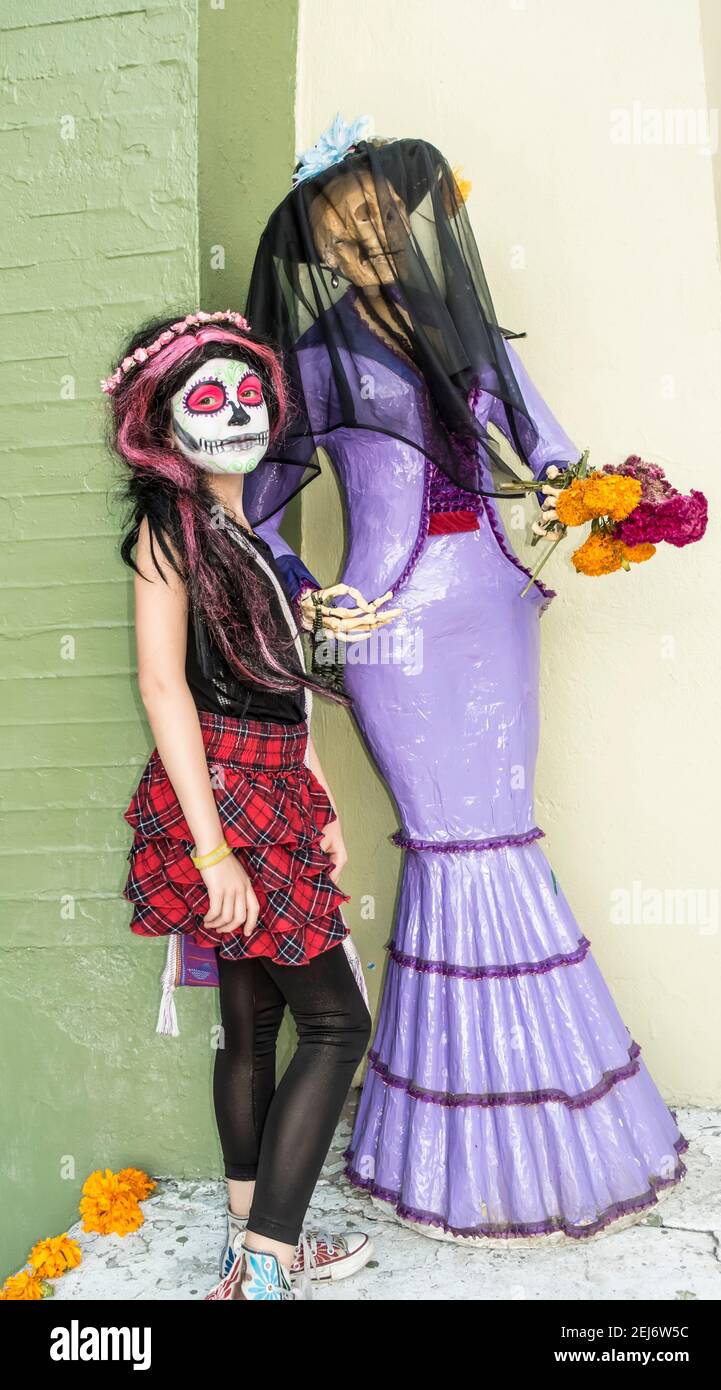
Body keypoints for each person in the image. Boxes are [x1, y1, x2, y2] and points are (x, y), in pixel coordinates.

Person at [244, 128, 688, 1245]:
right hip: (393, 627)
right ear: (319, 250)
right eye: (342, 230)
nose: (369, 240)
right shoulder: (307, 362)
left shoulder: (469, 330)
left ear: (408, 220)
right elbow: (253, 509)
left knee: (506, 833)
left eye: (381, 218)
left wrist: (602, 499)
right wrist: (303, 585)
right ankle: (453, 1146)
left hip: (494, 611)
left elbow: (548, 450)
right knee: (450, 849)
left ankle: (550, 1126)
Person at [103, 310, 390, 1298]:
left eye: (249, 392)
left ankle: (244, 1247)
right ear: (164, 420)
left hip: (265, 785)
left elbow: (272, 684)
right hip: (228, 798)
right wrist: (215, 849)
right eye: (207, 396)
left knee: (250, 1019)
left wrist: (314, 799)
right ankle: (268, 1260)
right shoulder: (169, 526)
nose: (236, 411)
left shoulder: (236, 526)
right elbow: (160, 685)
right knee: (336, 1026)